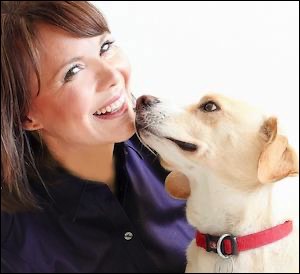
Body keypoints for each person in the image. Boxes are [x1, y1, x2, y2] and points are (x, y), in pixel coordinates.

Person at [1, 1, 194, 273]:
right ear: (25, 116)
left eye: (105, 48)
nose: (112, 76)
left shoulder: (187, 153)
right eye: (73, 72)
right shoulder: (13, 245)